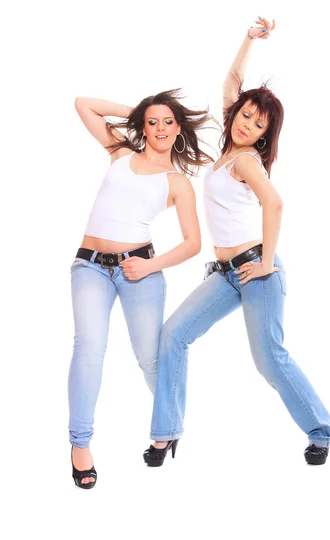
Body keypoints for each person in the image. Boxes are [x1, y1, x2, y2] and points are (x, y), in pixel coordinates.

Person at [143, 18, 330, 468]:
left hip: (257, 272)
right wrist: (250, 39)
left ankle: (321, 431)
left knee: (269, 358)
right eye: (245, 114)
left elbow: (275, 204)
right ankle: (166, 432)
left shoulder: (247, 161)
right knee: (172, 336)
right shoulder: (229, 147)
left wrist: (267, 261)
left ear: (265, 135)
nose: (247, 123)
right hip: (227, 275)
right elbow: (232, 81)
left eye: (257, 123)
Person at [69, 90, 214, 488]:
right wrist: (139, 112)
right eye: (152, 122)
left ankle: (170, 427)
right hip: (90, 267)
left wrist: (149, 265)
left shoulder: (178, 183)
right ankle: (80, 444)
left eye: (168, 121)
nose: (160, 128)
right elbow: (84, 103)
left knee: (150, 358)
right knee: (89, 350)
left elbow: (192, 243)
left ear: (178, 127)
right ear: (143, 126)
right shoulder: (120, 152)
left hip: (141, 269)